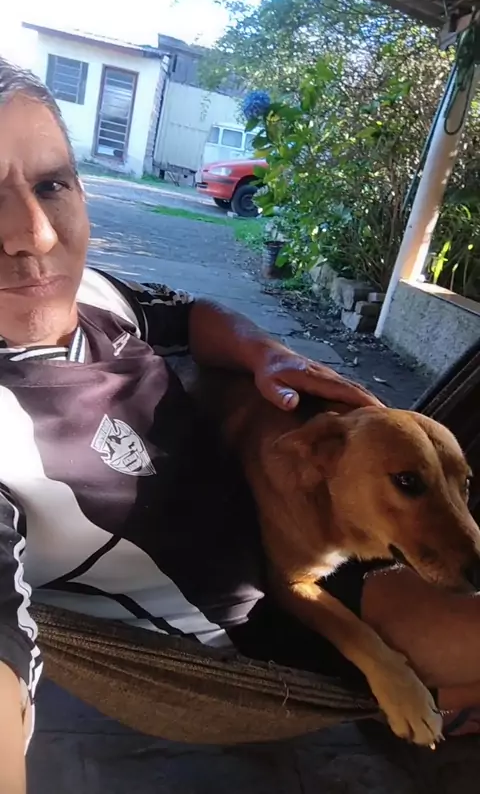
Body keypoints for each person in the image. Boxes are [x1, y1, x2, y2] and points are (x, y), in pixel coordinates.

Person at [0, 58, 479, 792]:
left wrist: (265, 353)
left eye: (50, 184)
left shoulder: (91, 292)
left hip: (321, 523)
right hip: (259, 623)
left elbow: (188, 314)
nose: (32, 235)